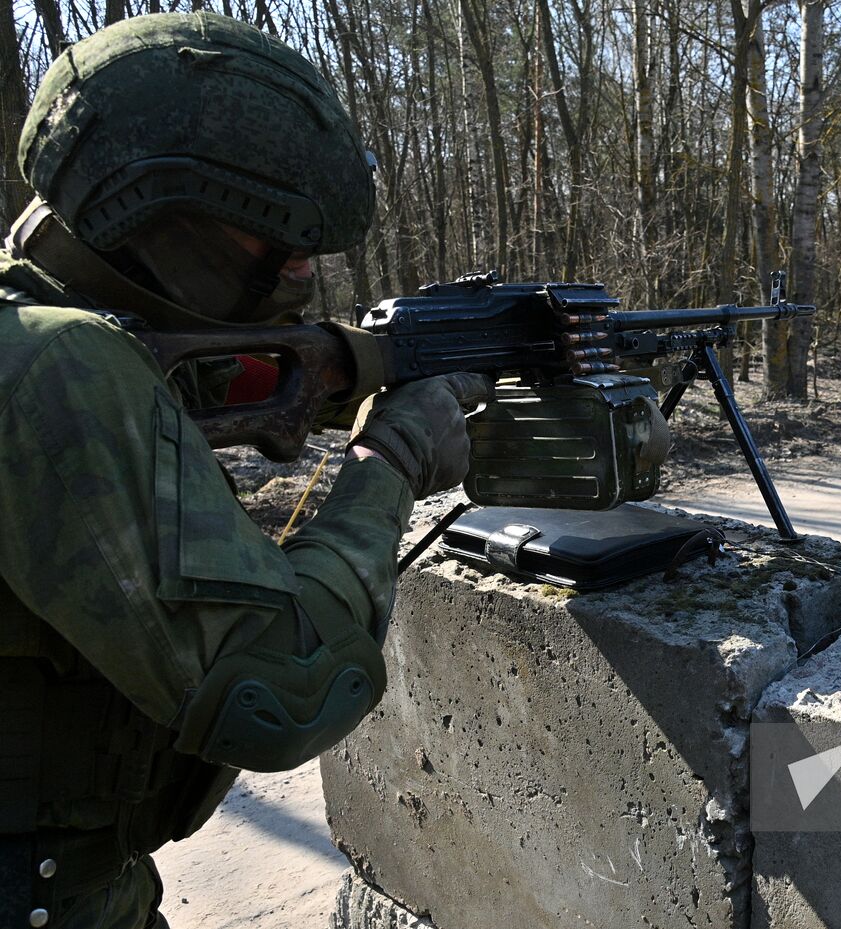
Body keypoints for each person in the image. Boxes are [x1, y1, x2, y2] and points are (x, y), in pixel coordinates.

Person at [0, 12, 488, 928]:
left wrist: (366, 363)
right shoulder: (58, 369)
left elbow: (209, 372)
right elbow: (280, 689)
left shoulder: (35, 323)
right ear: (153, 208)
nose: (303, 270)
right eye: (276, 239)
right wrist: (391, 457)